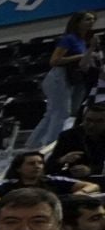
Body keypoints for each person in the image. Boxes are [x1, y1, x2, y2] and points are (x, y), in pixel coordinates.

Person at [30, 12, 96, 148]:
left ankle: (34, 143)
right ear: (78, 22)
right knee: (61, 112)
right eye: (87, 19)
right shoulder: (69, 39)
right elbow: (54, 61)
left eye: (93, 19)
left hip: (72, 78)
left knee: (53, 113)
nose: (91, 22)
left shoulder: (83, 40)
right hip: (59, 76)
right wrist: (80, 56)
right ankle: (52, 143)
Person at [0, 150, 96, 205]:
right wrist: (0, 202)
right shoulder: (10, 184)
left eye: (40, 163)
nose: (37, 166)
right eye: (31, 164)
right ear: (18, 168)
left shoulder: (54, 180)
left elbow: (93, 186)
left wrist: (78, 194)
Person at [51, 103, 105, 177]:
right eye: (88, 120)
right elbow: (48, 167)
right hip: (76, 179)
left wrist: (91, 170)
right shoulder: (69, 136)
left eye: (99, 121)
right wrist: (62, 160)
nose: (92, 125)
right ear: (83, 120)